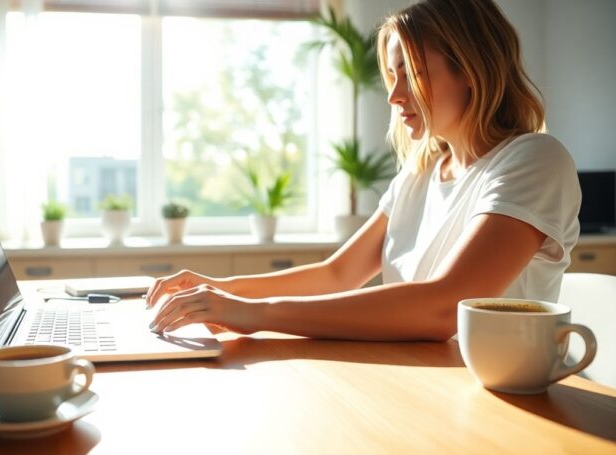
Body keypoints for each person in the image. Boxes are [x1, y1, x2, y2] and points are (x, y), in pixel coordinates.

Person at [146, 0, 581, 341]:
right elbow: (338, 275)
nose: (393, 96)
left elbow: (444, 307)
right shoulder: (421, 172)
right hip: (414, 383)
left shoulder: (534, 160)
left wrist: (253, 314)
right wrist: (222, 290)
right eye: (391, 76)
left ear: (469, 69)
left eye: (409, 74)